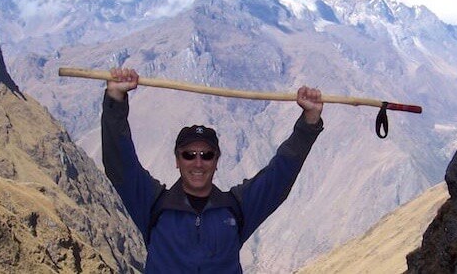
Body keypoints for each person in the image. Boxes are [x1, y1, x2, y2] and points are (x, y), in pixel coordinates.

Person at [101, 67, 324, 273]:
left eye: (207, 155)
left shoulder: (236, 208)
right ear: (177, 160)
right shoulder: (153, 205)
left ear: (217, 161)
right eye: (189, 154)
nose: (198, 163)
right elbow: (119, 163)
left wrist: (309, 123)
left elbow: (279, 176)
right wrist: (115, 100)